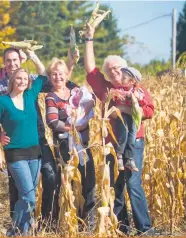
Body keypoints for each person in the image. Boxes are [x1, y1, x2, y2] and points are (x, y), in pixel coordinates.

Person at [83, 23, 154, 235]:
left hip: (133, 145)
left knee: (133, 184)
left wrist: (126, 107)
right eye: (110, 69)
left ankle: (145, 229)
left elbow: (149, 111)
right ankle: (122, 227)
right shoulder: (105, 89)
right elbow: (90, 69)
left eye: (118, 68)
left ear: (126, 71)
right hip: (112, 146)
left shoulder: (137, 89)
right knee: (116, 187)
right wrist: (89, 38)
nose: (114, 71)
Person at [0, 68, 48, 236]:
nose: (22, 81)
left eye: (25, 79)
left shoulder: (30, 95)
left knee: (26, 195)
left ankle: (15, 231)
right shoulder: (3, 101)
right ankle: (25, 232)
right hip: (15, 154)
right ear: (12, 81)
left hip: (34, 154)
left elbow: (43, 74)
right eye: (19, 79)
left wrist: (32, 55)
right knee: (29, 196)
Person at [45, 57, 96, 230]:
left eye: (61, 74)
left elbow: (91, 100)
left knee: (89, 181)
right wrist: (74, 127)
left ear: (67, 75)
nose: (58, 77)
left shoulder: (76, 90)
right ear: (49, 77)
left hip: (83, 143)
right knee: (67, 182)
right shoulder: (51, 97)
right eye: (54, 74)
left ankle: (88, 223)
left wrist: (87, 109)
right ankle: (66, 222)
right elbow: (52, 122)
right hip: (64, 146)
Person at [112, 67, 145, 172]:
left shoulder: (137, 91)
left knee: (132, 135)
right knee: (123, 132)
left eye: (124, 78)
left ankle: (129, 158)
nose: (121, 79)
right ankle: (120, 155)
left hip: (133, 117)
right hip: (123, 116)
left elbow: (141, 97)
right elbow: (114, 94)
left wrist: (135, 96)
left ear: (132, 81)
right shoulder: (119, 89)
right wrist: (124, 95)